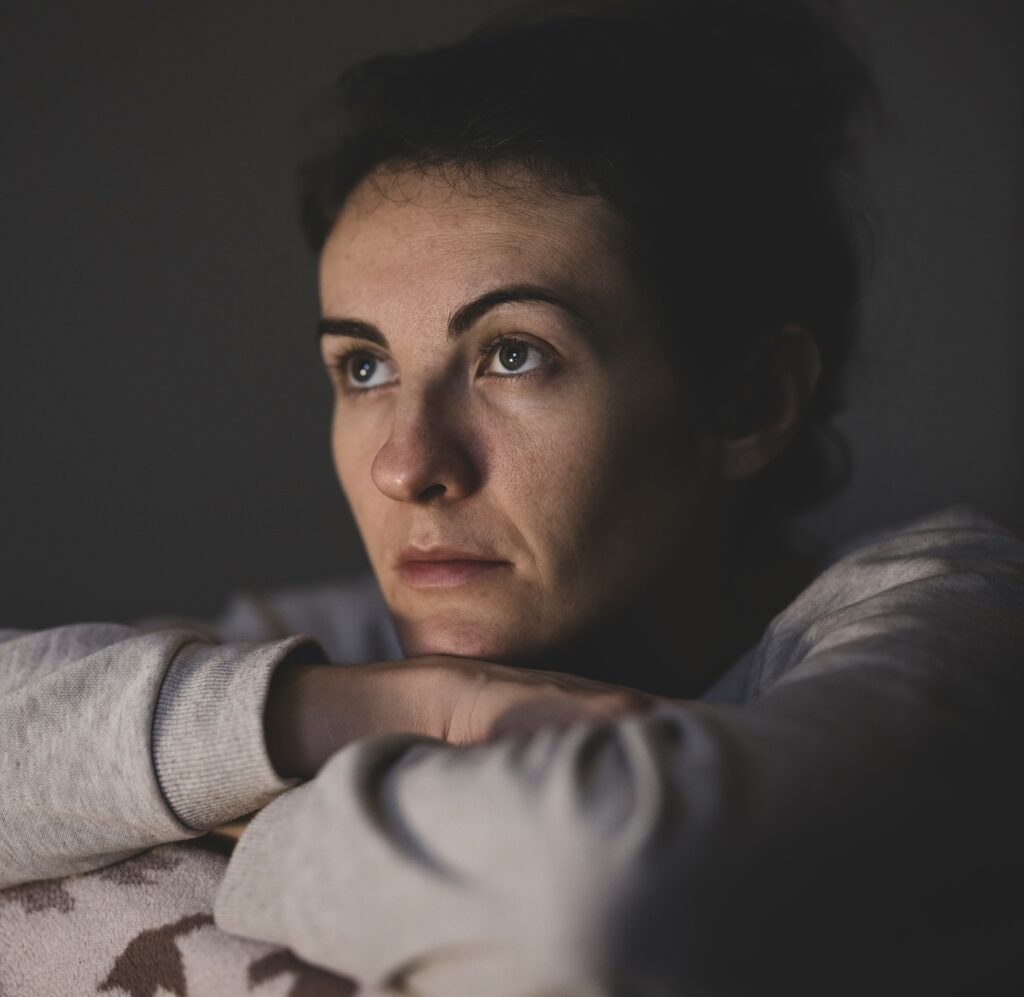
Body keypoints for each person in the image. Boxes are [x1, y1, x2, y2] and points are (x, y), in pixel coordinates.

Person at [2, 1, 1022, 995]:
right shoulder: (345, 655)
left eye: (513, 354)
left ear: (749, 403)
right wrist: (338, 713)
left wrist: (232, 795)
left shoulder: (962, 626)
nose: (409, 465)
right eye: (362, 368)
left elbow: (593, 896)